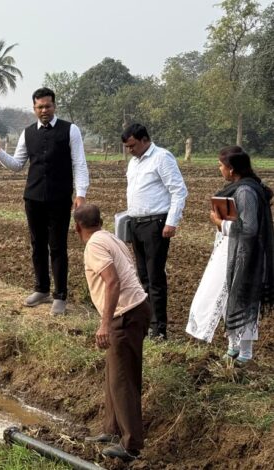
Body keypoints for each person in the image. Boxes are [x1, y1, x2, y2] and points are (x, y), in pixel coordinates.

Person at [0, 87, 89, 314]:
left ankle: (60, 295)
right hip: (33, 198)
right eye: (40, 107)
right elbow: (17, 165)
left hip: (59, 199)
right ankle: (41, 289)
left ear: (54, 106)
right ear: (34, 108)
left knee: (58, 246)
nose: (44, 110)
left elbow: (79, 164)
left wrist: (80, 194)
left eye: (48, 106)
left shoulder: (70, 131)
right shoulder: (27, 133)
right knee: (37, 245)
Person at [74, 204, 149, 462]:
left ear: (77, 227)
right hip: (137, 308)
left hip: (125, 315)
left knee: (122, 380)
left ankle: (131, 446)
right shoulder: (110, 237)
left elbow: (113, 281)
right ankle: (111, 429)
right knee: (114, 373)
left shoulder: (94, 245)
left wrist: (105, 324)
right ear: (101, 221)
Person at [186, 146, 274, 364]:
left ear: (232, 169)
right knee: (233, 299)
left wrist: (221, 223)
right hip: (236, 250)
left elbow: (249, 228)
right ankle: (234, 347)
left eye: (221, 165)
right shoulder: (246, 187)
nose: (219, 169)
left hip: (244, 255)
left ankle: (243, 353)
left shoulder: (245, 191)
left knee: (240, 300)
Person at [122, 123, 188, 340]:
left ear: (143, 140)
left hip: (155, 224)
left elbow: (178, 191)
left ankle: (159, 329)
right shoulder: (133, 163)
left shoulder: (162, 157)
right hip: (136, 223)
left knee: (155, 276)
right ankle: (147, 322)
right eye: (127, 147)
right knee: (143, 276)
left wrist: (172, 222)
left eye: (132, 145)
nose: (129, 150)